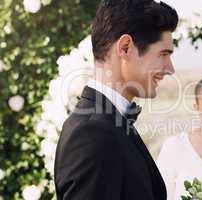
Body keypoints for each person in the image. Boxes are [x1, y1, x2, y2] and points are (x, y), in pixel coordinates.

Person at [54, 0, 178, 199]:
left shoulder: (110, 121)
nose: (170, 68)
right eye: (163, 54)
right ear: (126, 47)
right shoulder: (92, 134)